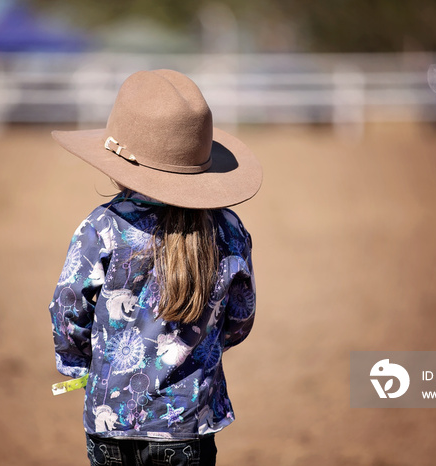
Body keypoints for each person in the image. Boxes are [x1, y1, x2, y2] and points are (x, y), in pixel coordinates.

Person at [48, 69, 262, 466]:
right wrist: (200, 348)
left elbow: (68, 308)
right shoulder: (228, 230)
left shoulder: (103, 226)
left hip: (108, 423)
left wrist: (81, 366)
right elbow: (240, 319)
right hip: (187, 424)